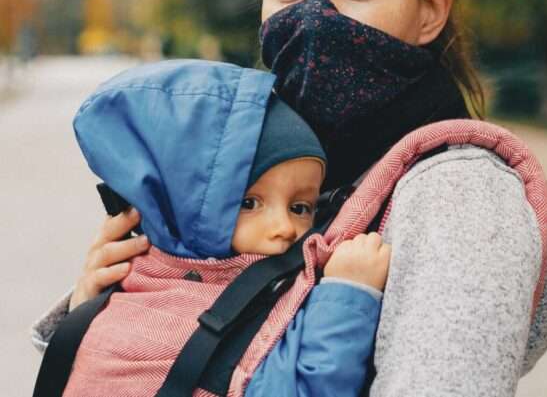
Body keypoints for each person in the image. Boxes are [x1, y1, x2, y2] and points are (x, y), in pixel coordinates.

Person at [33, 0, 547, 396]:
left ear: (430, 8)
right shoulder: (266, 158)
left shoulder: (461, 196)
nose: (314, 16)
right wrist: (109, 305)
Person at [60, 59, 390, 397]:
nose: (284, 228)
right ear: (183, 205)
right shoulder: (147, 316)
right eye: (249, 203)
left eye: (299, 207)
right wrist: (347, 295)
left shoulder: (263, 282)